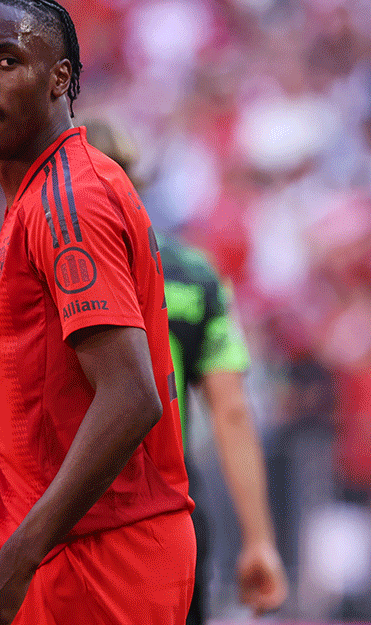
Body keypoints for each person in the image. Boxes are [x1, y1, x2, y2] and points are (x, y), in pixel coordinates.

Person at [0, 0, 194, 625]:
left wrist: (18, 556)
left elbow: (132, 395)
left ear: (60, 79)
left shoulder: (68, 201)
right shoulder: (49, 189)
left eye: (4, 61)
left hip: (101, 552)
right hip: (83, 543)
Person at [82, 119, 288, 623]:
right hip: (171, 513)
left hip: (69, 513)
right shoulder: (195, 275)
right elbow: (232, 413)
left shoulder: (38, 266)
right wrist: (258, 541)